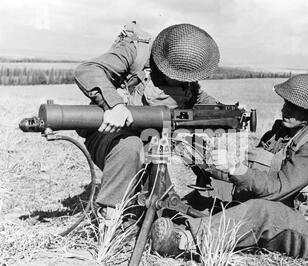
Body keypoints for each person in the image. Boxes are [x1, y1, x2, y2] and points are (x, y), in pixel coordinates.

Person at [150, 74, 308, 260]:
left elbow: (278, 189)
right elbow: (252, 176)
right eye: (286, 103)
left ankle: (183, 241)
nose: (285, 110)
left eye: (294, 108)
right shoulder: (278, 134)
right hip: (276, 208)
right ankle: (163, 219)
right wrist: (209, 164)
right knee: (210, 192)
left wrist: (235, 168)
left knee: (261, 211)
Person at [74, 22, 221, 219]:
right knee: (130, 146)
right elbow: (88, 70)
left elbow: (199, 98)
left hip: (152, 139)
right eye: (177, 76)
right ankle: (111, 218)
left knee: (196, 147)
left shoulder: (184, 70)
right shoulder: (135, 52)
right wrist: (115, 106)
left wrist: (224, 111)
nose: (182, 81)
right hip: (111, 134)